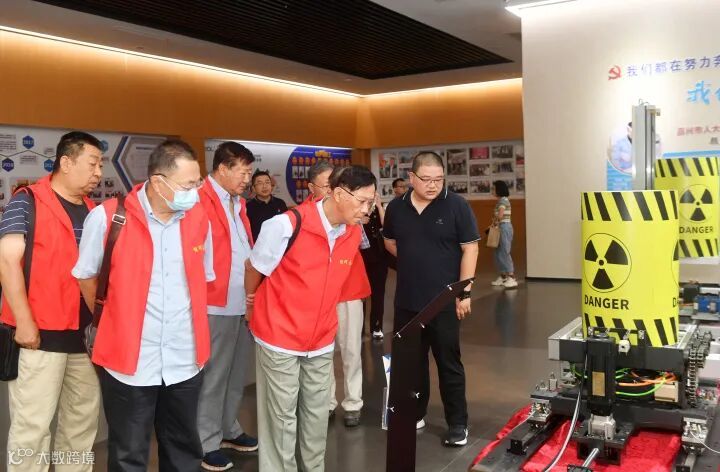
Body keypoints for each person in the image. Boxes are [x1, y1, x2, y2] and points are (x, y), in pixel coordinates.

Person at [73, 139, 214, 472]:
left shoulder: (198, 218)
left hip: (184, 359)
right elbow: (86, 277)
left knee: (183, 451)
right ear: (158, 182)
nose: (195, 193)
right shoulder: (109, 218)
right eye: (188, 185)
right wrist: (116, 321)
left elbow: (202, 279)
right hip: (129, 362)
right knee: (128, 454)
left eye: (198, 183)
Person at [245, 165, 376, 471]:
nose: (366, 210)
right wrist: (252, 303)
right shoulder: (286, 225)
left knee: (316, 416)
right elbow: (254, 268)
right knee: (281, 418)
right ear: (339, 194)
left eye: (371, 203)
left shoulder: (352, 232)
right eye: (362, 201)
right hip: (279, 336)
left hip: (320, 338)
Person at [0, 131, 103, 472]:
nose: (98, 173)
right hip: (39, 337)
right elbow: (6, 261)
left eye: (101, 165)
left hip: (84, 339)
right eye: (93, 163)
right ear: (66, 162)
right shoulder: (27, 200)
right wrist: (24, 321)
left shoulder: (94, 211)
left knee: (81, 425)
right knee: (32, 428)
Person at [383, 151, 479, 447]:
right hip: (407, 300)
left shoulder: (457, 205)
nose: (433, 185)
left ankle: (458, 424)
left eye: (439, 179)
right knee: (411, 363)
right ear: (411, 178)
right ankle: (416, 412)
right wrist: (415, 261)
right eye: (426, 179)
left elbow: (470, 249)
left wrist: (464, 292)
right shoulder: (396, 208)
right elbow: (390, 241)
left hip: (444, 300)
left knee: (448, 362)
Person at [197, 142, 258, 471]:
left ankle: (228, 428)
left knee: (236, 373)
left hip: (241, 300)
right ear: (222, 168)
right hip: (214, 302)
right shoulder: (199, 200)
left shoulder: (238, 203)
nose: (247, 179)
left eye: (249, 172)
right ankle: (206, 440)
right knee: (214, 376)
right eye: (243, 172)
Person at [328, 250, 371, 427]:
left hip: (349, 287)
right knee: (322, 353)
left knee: (351, 350)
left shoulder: (353, 232)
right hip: (319, 288)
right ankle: (326, 402)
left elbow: (363, 242)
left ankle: (353, 402)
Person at [361, 193, 389, 339]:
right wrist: (359, 221)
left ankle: (376, 327)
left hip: (379, 257)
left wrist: (379, 206)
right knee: (361, 295)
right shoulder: (355, 208)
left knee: (378, 294)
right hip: (360, 259)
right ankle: (359, 329)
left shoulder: (379, 209)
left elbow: (387, 227)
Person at [246, 169, 288, 241]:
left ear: (271, 186)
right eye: (260, 183)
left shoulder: (280, 203)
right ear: (253, 188)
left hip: (280, 244)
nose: (264, 186)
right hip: (259, 246)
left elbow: (287, 225)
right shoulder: (248, 207)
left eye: (267, 182)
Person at [491, 180, 518, 288]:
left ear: (499, 189)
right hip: (500, 227)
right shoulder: (500, 201)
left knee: (504, 252)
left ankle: (511, 277)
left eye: (494, 189)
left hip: (504, 227)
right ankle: (503, 276)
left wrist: (495, 222)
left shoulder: (503, 200)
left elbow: (501, 215)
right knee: (497, 252)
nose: (492, 191)